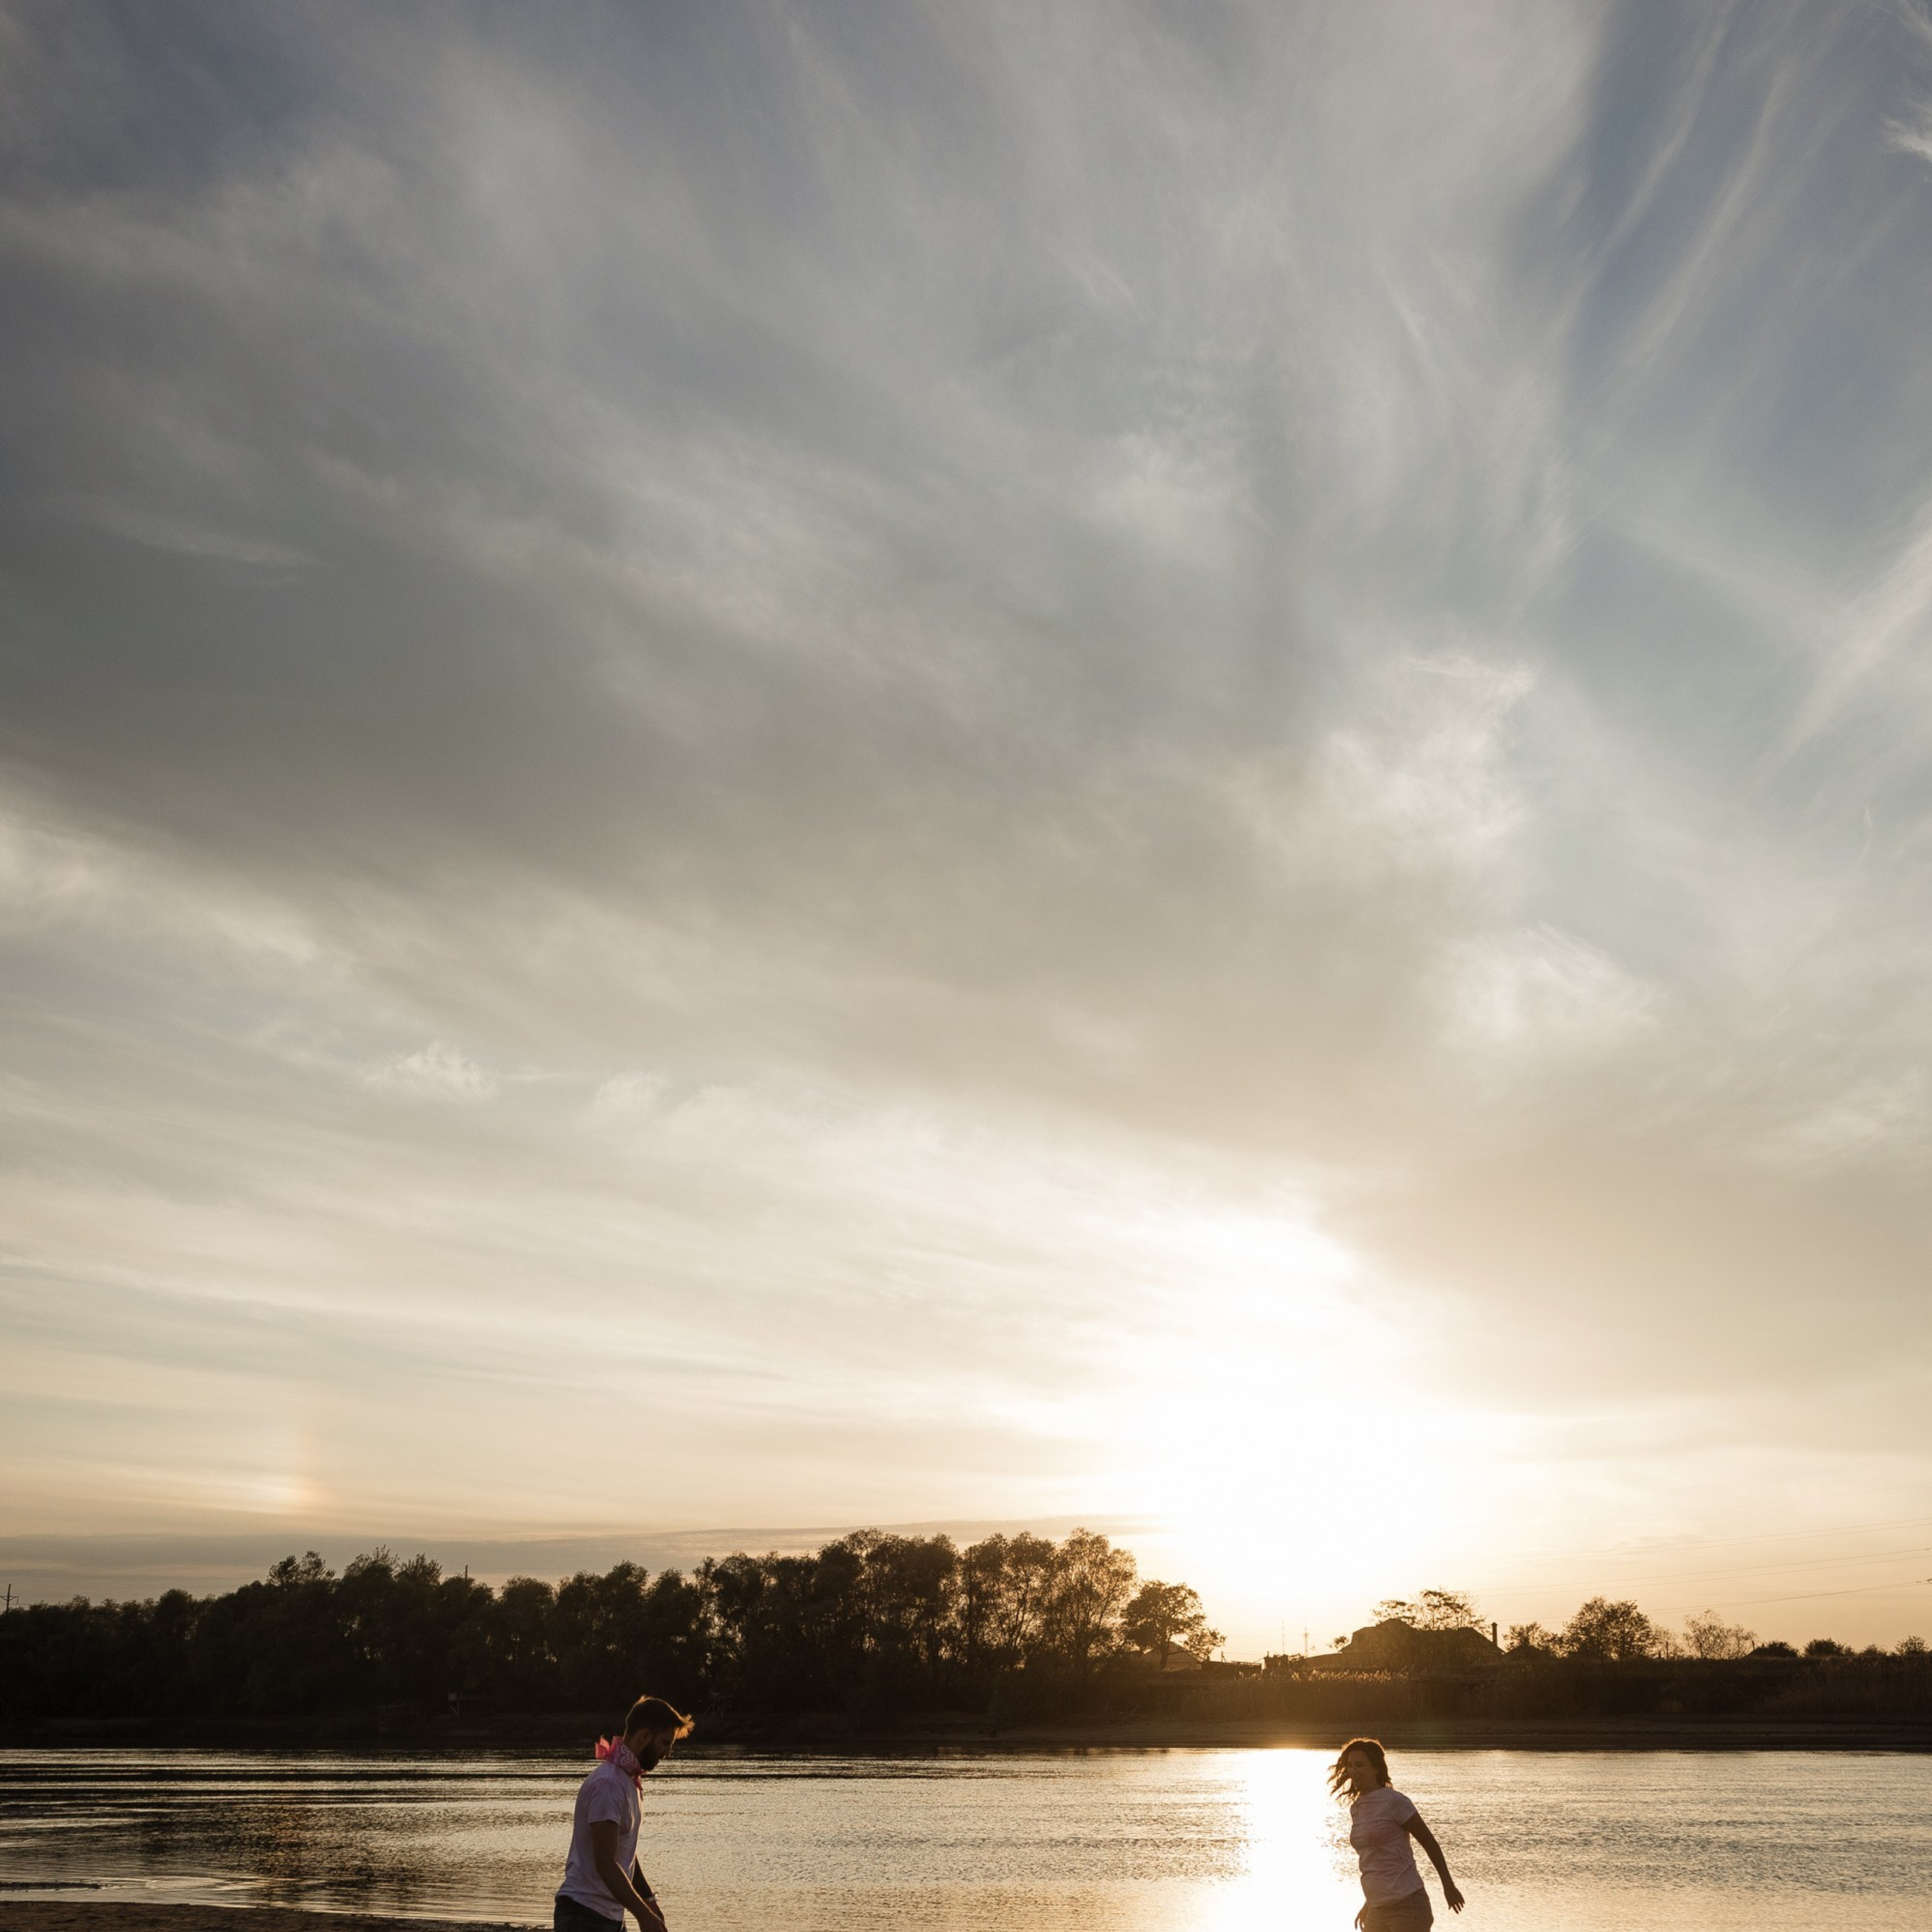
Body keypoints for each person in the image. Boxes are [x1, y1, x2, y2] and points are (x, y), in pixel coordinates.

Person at [555, 1694, 695, 1932]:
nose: (668, 1752)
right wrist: (643, 1916)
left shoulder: (629, 1782)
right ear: (644, 1736)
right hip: (584, 1916)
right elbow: (606, 1863)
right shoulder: (608, 1785)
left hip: (608, 1916)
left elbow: (624, 1853)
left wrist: (649, 1903)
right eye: (665, 1743)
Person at [1329, 1736, 1464, 1930]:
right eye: (1350, 1766)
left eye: (1359, 1765)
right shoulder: (1357, 1808)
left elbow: (1430, 1843)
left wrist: (1448, 1886)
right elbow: (1374, 1860)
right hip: (1377, 1908)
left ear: (1375, 1768)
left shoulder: (1395, 1802)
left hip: (1407, 1905)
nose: (1353, 1771)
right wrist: (1368, 1903)